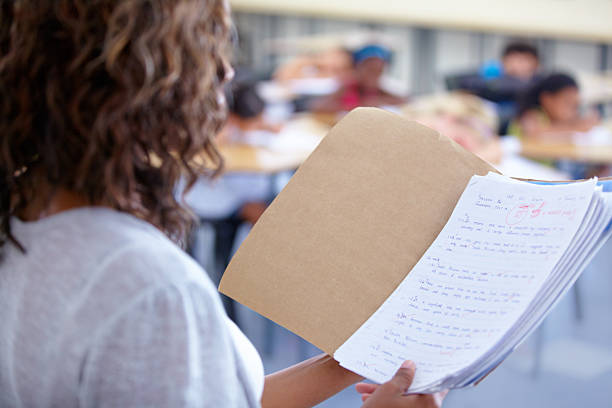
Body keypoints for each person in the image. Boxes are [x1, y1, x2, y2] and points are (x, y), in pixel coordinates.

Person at [0, 1, 447, 407]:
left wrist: (344, 364)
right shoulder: (149, 286)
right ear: (145, 80)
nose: (228, 74)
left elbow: (227, 399)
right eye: (208, 49)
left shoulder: (25, 223)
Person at [311, 44, 406, 113]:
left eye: (378, 71)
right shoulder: (346, 87)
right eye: (369, 70)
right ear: (357, 68)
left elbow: (404, 101)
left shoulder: (381, 90)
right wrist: (359, 107)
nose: (373, 76)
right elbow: (318, 107)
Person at [509, 72, 599, 142]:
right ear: (547, 99)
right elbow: (534, 134)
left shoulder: (554, 117)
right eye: (567, 103)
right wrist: (577, 128)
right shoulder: (532, 114)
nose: (572, 110)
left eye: (575, 105)